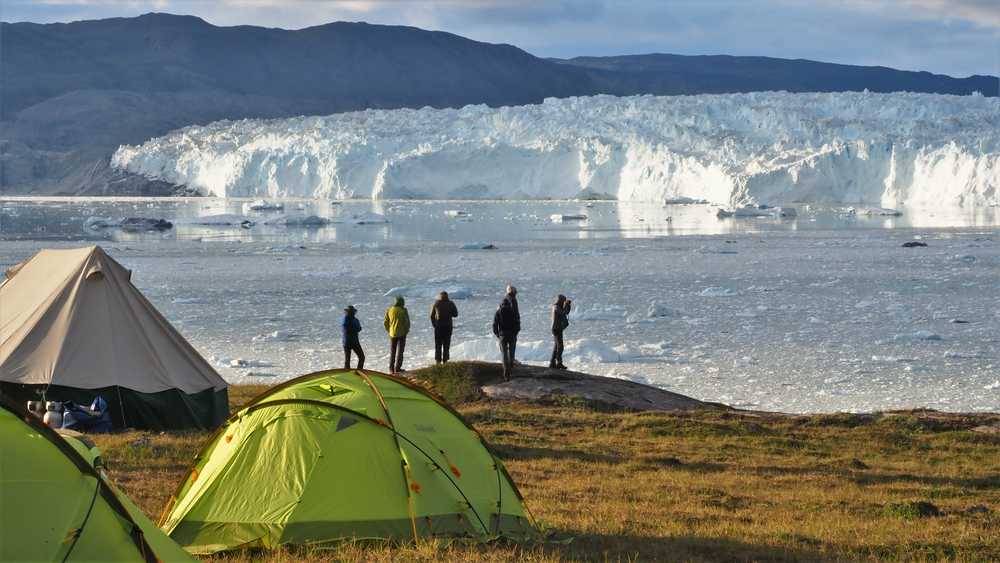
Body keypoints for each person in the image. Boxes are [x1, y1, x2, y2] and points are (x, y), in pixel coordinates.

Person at [492, 295, 519, 380]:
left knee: (504, 354)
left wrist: (497, 334)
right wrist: (515, 333)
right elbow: (517, 324)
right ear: (509, 304)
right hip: (512, 335)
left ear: (501, 304)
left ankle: (506, 374)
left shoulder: (498, 312)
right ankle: (511, 366)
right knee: (511, 353)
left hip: (502, 335)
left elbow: (494, 325)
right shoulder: (512, 311)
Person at [383, 296, 411, 374]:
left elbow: (385, 322)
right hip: (402, 333)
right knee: (400, 351)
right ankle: (397, 368)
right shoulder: (403, 310)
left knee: (393, 351)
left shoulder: (390, 310)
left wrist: (389, 330)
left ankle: (391, 369)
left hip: (392, 333)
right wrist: (406, 330)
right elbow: (407, 322)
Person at [430, 291, 459, 364]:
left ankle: (438, 361)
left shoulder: (436, 303)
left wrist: (434, 325)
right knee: (446, 345)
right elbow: (456, 314)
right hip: (448, 327)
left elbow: (431, 316)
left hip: (438, 327)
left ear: (440, 296)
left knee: (438, 345)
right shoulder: (451, 303)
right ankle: (445, 361)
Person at [549, 295, 572, 369]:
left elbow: (566, 312)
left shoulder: (557, 307)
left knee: (557, 346)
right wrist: (567, 304)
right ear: (560, 301)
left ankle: (552, 363)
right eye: (563, 301)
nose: (564, 302)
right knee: (560, 346)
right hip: (556, 329)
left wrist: (568, 305)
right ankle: (559, 363)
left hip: (557, 328)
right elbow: (563, 313)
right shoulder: (556, 307)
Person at [342, 305, 364, 370]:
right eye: (352, 312)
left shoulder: (345, 319)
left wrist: (354, 328)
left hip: (346, 342)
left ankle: (347, 372)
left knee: (347, 359)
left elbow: (357, 329)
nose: (352, 313)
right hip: (353, 342)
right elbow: (358, 329)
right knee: (361, 357)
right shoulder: (353, 320)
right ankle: (358, 372)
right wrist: (355, 328)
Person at [504, 285, 521, 361]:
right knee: (512, 343)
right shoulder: (512, 299)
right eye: (515, 291)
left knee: (507, 344)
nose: (516, 292)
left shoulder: (504, 299)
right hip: (512, 326)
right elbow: (515, 313)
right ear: (512, 291)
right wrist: (517, 324)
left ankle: (508, 359)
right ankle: (511, 359)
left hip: (505, 326)